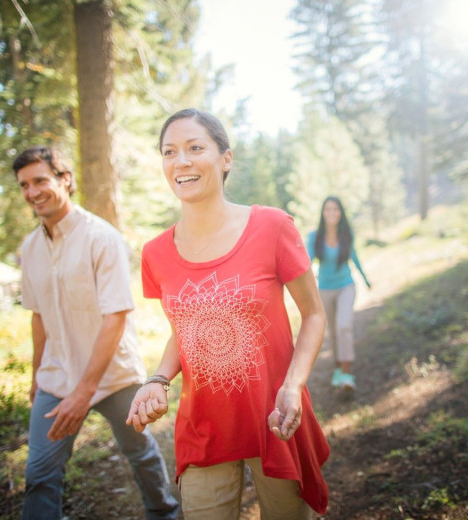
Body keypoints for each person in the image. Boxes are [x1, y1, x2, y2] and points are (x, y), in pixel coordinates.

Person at [125, 108, 330, 519]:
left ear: (226, 159)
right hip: (203, 427)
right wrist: (157, 379)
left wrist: (293, 386)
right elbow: (186, 332)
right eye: (169, 152)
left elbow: (314, 315)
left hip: (275, 416)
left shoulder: (272, 226)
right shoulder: (156, 252)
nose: (180, 161)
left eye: (194, 148)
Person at [13, 145, 179, 520]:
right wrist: (36, 376)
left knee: (139, 451)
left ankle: (164, 513)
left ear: (64, 179)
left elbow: (115, 317)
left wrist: (84, 393)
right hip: (57, 378)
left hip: (115, 375)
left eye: (40, 180)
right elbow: (38, 318)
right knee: (39, 473)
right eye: (24, 185)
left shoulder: (101, 238)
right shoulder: (30, 248)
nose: (32, 192)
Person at [306, 196, 371, 391]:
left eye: (335, 209)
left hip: (346, 287)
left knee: (343, 326)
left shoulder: (347, 234)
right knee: (333, 331)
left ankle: (347, 373)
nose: (332, 213)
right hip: (324, 289)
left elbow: (355, 258)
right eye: (328, 209)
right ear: (323, 213)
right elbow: (306, 264)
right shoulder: (313, 237)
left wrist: (365, 278)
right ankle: (337, 369)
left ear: (340, 213)